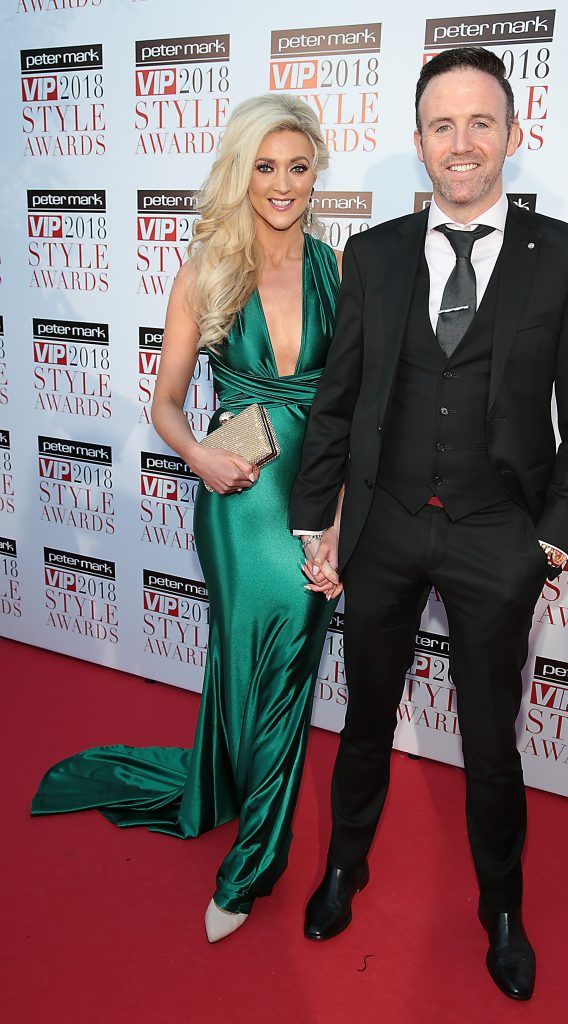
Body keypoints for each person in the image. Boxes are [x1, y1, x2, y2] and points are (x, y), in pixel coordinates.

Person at [290, 46, 568, 1000]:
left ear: (512, 134)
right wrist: (319, 521)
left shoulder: (562, 256)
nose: (461, 143)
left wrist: (549, 537)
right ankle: (345, 865)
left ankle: (501, 909)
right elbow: (338, 401)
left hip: (493, 536)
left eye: (481, 123)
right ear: (419, 141)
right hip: (384, 529)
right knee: (362, 719)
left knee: (489, 739)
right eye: (442, 125)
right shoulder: (375, 253)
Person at [31, 94, 342, 943]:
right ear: (242, 172)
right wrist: (199, 457)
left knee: (288, 672)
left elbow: (354, 410)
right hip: (237, 500)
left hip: (314, 502)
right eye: (264, 166)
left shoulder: (338, 272)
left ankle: (250, 867)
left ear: (316, 174)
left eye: (297, 166)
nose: (280, 184)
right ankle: (225, 788)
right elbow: (167, 403)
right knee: (243, 666)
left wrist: (340, 516)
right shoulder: (208, 269)